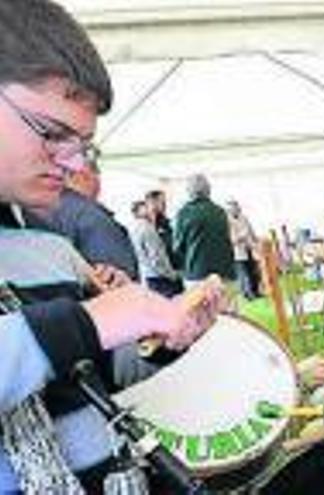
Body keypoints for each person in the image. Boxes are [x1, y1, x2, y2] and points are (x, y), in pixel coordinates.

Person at [0, 1, 225, 492]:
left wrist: (158, 342)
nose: (72, 161)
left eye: (83, 143)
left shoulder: (48, 244)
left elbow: (91, 378)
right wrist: (89, 321)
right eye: (52, 133)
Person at [26, 157, 140, 280]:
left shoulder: (35, 209)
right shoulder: (91, 216)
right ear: (83, 174)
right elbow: (117, 283)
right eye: (97, 175)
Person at [173, 173, 236, 287]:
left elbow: (177, 247)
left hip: (197, 274)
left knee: (201, 305)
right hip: (224, 272)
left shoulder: (184, 213)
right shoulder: (220, 211)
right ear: (208, 190)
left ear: (189, 191)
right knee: (226, 305)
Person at [131, 200, 182, 298]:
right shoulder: (147, 229)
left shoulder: (135, 228)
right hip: (161, 279)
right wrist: (173, 275)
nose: (153, 210)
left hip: (150, 276)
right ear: (139, 212)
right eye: (147, 207)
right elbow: (157, 259)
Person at [226, 199, 261, 299]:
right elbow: (230, 240)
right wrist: (242, 236)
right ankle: (247, 294)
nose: (236, 209)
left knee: (254, 272)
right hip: (238, 252)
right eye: (233, 208)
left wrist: (255, 241)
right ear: (229, 210)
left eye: (237, 207)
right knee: (244, 274)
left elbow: (251, 231)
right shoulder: (227, 221)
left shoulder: (244, 218)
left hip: (249, 248)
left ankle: (256, 291)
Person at [144, 189, 175, 267]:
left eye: (165, 202)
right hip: (152, 270)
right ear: (152, 202)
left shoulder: (166, 222)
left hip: (170, 267)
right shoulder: (144, 224)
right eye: (162, 202)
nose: (165, 205)